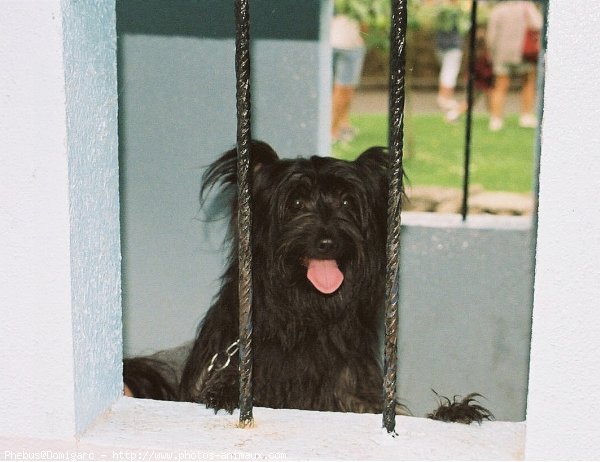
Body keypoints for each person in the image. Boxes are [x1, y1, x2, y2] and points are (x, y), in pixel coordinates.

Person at [486, 0, 543, 131]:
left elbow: (491, 35)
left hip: (502, 54)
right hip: (523, 53)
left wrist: (491, 52)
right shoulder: (527, 7)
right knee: (528, 83)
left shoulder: (498, 10)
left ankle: (496, 119)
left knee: (500, 86)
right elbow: (538, 25)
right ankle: (526, 115)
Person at [331, 13, 366, 144]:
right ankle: (332, 130)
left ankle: (343, 125)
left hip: (336, 41)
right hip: (348, 44)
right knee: (343, 89)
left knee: (344, 90)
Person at [434, 0, 470, 112]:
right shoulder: (456, 11)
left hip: (440, 45)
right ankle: (444, 98)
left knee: (446, 71)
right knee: (449, 72)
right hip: (452, 46)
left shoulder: (439, 8)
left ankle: (445, 97)